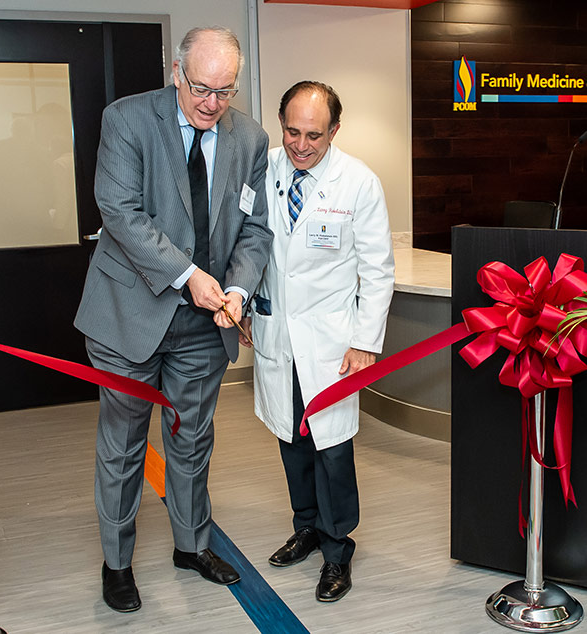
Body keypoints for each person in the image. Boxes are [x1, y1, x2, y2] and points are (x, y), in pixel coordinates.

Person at [74, 26, 272, 613]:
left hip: (204, 325)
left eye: (226, 90)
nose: (212, 102)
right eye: (201, 87)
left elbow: (256, 228)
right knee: (124, 442)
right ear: (176, 72)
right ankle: (116, 562)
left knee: (191, 441)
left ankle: (192, 546)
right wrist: (188, 275)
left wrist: (236, 289)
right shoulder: (128, 120)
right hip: (129, 314)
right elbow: (120, 212)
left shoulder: (251, 139)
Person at [241, 81, 394, 602]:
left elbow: (377, 271)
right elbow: (249, 245)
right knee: (291, 439)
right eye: (291, 131)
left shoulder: (358, 183)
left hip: (333, 343)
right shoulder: (263, 171)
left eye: (313, 134)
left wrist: (365, 342)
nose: (300, 145)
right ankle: (305, 525)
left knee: (331, 449)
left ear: (334, 130)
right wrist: (242, 303)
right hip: (276, 334)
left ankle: (336, 550)